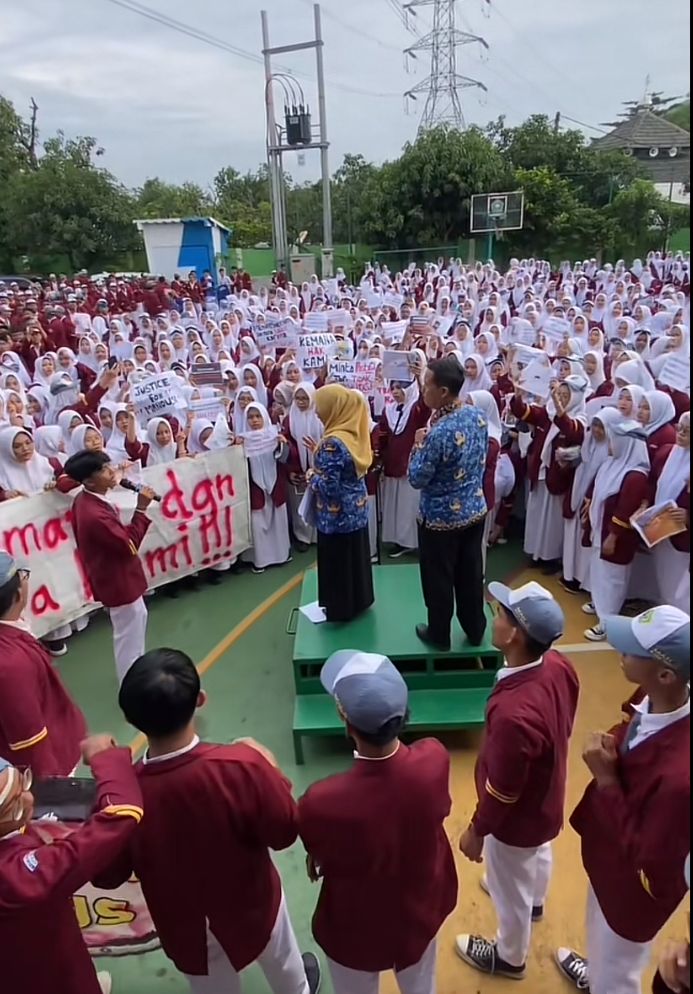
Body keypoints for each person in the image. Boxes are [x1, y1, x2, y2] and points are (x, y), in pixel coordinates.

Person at [97, 648, 321, 994]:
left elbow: (107, 874)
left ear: (130, 719)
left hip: (183, 924)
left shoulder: (123, 796)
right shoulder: (242, 765)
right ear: (200, 699)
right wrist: (272, 772)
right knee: (283, 961)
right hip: (252, 903)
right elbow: (284, 832)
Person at [298, 649, 458, 994]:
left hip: (355, 928)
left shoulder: (321, 801)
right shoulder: (434, 758)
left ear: (344, 716)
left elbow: (318, 845)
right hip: (420, 911)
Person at [556, 605, 690, 994]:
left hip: (633, 896)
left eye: (632, 650)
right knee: (600, 938)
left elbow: (656, 871)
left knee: (617, 972)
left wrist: (608, 780)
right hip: (609, 860)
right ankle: (598, 966)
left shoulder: (680, 780)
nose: (621, 652)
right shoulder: (654, 696)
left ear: (665, 674)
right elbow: (635, 724)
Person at [456, 580, 579, 979]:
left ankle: (510, 956)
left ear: (514, 635)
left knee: (509, 886)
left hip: (516, 820)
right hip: (546, 797)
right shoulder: (558, 665)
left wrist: (477, 830)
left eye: (500, 614)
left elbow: (503, 790)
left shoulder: (513, 713)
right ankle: (536, 901)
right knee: (539, 854)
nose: (494, 617)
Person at [0, 733, 143, 994]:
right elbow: (118, 817)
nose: (30, 799)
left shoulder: (9, 835)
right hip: (42, 970)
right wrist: (107, 759)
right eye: (14, 803)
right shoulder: (17, 877)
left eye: (23, 784)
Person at [408, 356, 489, 651]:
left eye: (426, 385)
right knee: (470, 573)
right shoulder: (476, 416)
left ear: (443, 391)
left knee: (438, 579)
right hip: (474, 510)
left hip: (440, 520)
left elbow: (417, 478)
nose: (423, 390)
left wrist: (417, 445)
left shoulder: (438, 433)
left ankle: (439, 634)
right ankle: (475, 628)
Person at [63, 449, 157, 682]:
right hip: (119, 581)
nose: (112, 472)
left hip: (117, 577)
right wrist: (141, 509)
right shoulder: (94, 515)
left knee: (135, 625)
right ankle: (131, 684)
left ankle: (137, 674)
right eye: (105, 470)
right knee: (128, 637)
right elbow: (128, 546)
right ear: (89, 481)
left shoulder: (87, 500)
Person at [0, 551, 87, 776]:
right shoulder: (11, 665)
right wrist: (52, 786)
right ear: (18, 593)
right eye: (23, 576)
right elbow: (29, 739)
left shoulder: (12, 634)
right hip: (49, 768)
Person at [307, 384, 374, 623]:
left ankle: (340, 609)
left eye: (320, 405)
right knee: (355, 560)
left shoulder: (333, 443)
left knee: (337, 563)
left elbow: (330, 489)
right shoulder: (354, 433)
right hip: (356, 511)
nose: (317, 411)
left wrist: (311, 477)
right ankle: (359, 602)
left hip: (336, 516)